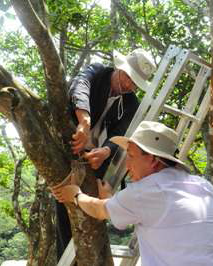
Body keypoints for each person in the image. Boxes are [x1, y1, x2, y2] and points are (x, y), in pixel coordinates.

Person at [53, 121, 213, 266]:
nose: (127, 165)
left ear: (152, 160)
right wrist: (112, 199)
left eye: (132, 156)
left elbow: (99, 211)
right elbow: (159, 216)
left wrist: (76, 195)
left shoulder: (149, 190)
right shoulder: (203, 185)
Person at [56, 49, 157, 259]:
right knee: (65, 211)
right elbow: (79, 85)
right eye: (128, 77)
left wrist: (105, 151)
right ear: (120, 67)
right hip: (70, 147)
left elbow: (121, 133)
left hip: (97, 163)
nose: (129, 85)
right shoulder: (98, 71)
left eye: (134, 83)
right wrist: (84, 121)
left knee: (94, 215)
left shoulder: (131, 104)